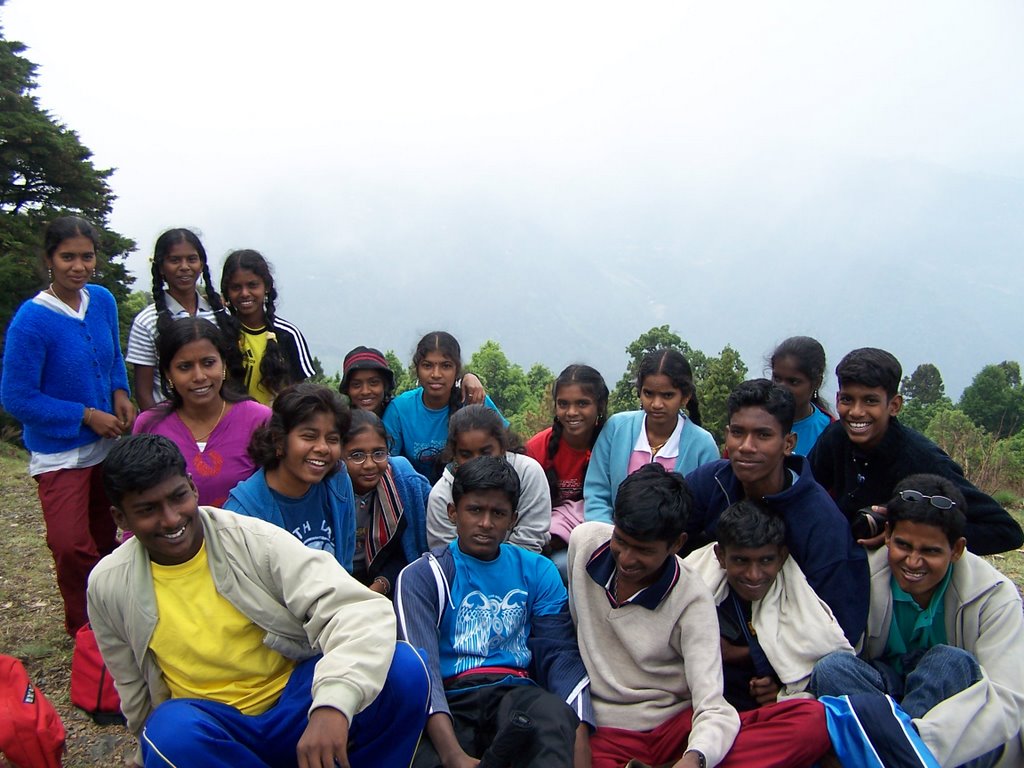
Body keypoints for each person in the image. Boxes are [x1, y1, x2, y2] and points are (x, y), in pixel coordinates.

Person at [87, 434, 429, 767]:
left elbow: (360, 609)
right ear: (121, 518)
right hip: (216, 731)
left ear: (192, 487)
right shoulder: (110, 585)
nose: (172, 518)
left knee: (405, 668)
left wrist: (333, 705)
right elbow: (132, 686)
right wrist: (146, 750)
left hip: (295, 706)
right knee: (169, 734)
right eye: (148, 510)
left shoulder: (251, 540)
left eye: (178, 498)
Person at [568, 464, 831, 768]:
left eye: (643, 550)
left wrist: (695, 759)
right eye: (622, 542)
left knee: (812, 720)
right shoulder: (585, 545)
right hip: (608, 731)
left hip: (677, 729)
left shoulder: (693, 597)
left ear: (677, 544)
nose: (627, 559)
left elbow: (711, 705)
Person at [810, 474, 1024, 768]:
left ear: (957, 549)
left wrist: (911, 743)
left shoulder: (994, 596)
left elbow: (1007, 699)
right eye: (903, 545)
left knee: (949, 661)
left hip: (956, 732)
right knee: (833, 668)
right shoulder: (863, 575)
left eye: (930, 551)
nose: (912, 562)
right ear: (887, 535)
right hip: (884, 697)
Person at [395, 456, 592, 768]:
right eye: (475, 510)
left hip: (514, 692)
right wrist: (452, 755)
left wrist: (578, 730)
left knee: (552, 716)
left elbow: (560, 653)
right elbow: (423, 667)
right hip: (450, 700)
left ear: (513, 519)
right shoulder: (424, 575)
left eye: (498, 513)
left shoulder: (537, 570)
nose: (486, 523)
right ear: (452, 512)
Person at [1, 216, 136, 636]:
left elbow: (112, 357)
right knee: (69, 543)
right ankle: (83, 626)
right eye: (68, 257)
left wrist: (119, 393)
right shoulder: (33, 321)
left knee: (103, 534)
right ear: (49, 259)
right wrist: (84, 415)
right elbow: (17, 397)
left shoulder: (102, 300)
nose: (78, 266)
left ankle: (114, 616)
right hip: (61, 452)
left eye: (87, 257)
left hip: (105, 446)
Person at [683, 379, 869, 644]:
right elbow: (663, 538)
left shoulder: (819, 520)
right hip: (708, 635)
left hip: (788, 653)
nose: (746, 446)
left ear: (788, 443)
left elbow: (841, 625)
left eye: (763, 435)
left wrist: (757, 659)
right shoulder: (712, 482)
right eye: (738, 433)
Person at [807, 347, 1024, 555]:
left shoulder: (924, 461)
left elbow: (1005, 531)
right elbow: (806, 489)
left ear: (894, 406)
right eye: (847, 399)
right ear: (837, 399)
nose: (856, 412)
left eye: (870, 401)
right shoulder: (836, 437)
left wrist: (905, 533)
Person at [683, 500, 852, 712]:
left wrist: (780, 693)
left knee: (816, 713)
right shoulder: (696, 587)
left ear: (781, 557)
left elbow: (807, 662)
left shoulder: (796, 598)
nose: (754, 575)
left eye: (765, 561)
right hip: (713, 713)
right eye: (741, 561)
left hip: (774, 717)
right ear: (721, 557)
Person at [133, 318, 269, 507]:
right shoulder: (149, 425)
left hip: (244, 535)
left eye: (208, 363)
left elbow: (277, 494)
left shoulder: (258, 419)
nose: (199, 376)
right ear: (168, 374)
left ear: (224, 365)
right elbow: (136, 498)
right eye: (185, 367)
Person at [225, 383, 355, 571]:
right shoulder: (242, 515)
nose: (323, 448)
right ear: (279, 440)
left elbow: (345, 567)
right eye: (309, 437)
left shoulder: (338, 482)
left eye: (332, 439)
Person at [584, 348, 719, 524]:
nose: (656, 404)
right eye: (649, 393)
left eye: (667, 395)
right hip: (614, 538)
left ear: (685, 397)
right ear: (640, 391)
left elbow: (704, 508)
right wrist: (610, 538)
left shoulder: (702, 445)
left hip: (676, 544)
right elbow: (596, 492)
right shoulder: (617, 428)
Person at [126, 228, 239, 411]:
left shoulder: (218, 313)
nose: (184, 266)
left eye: (192, 259)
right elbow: (144, 392)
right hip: (169, 422)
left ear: (201, 264)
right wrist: (156, 432)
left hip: (217, 418)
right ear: (161, 267)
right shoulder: (146, 321)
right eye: (175, 260)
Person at [426, 405, 551, 554]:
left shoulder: (527, 473)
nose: (477, 461)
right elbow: (447, 554)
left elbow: (530, 539)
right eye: (466, 454)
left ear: (503, 447)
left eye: (485, 452)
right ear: (454, 454)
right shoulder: (441, 496)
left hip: (522, 567)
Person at [383, 331, 505, 483]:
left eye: (446, 366)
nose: (436, 374)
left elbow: (506, 448)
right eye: (427, 366)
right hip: (417, 498)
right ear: (417, 369)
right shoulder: (400, 409)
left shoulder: (473, 399)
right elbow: (387, 465)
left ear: (456, 370)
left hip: (472, 493)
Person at [342, 409, 431, 596]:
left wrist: (381, 585)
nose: (369, 464)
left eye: (378, 453)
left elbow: (406, 551)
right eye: (357, 455)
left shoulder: (403, 483)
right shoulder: (327, 491)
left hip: (385, 582)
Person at [525, 364, 608, 562]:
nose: (571, 412)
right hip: (545, 541)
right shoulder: (538, 448)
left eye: (582, 403)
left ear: (600, 405)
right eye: (563, 404)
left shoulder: (610, 446)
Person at [219, 249, 315, 405]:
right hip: (230, 426)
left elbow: (300, 393)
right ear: (227, 292)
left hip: (275, 426)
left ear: (267, 287)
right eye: (236, 287)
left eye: (252, 285)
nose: (245, 293)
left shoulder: (287, 335)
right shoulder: (220, 334)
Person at [340, 345, 488, 418]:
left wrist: (468, 377)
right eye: (356, 385)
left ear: (385, 385)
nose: (365, 391)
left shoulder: (399, 412)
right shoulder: (340, 424)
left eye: (373, 383)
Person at [769, 336, 833, 456]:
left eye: (793, 382)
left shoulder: (829, 432)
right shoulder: (755, 420)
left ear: (816, 383)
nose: (781, 389)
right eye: (777, 379)